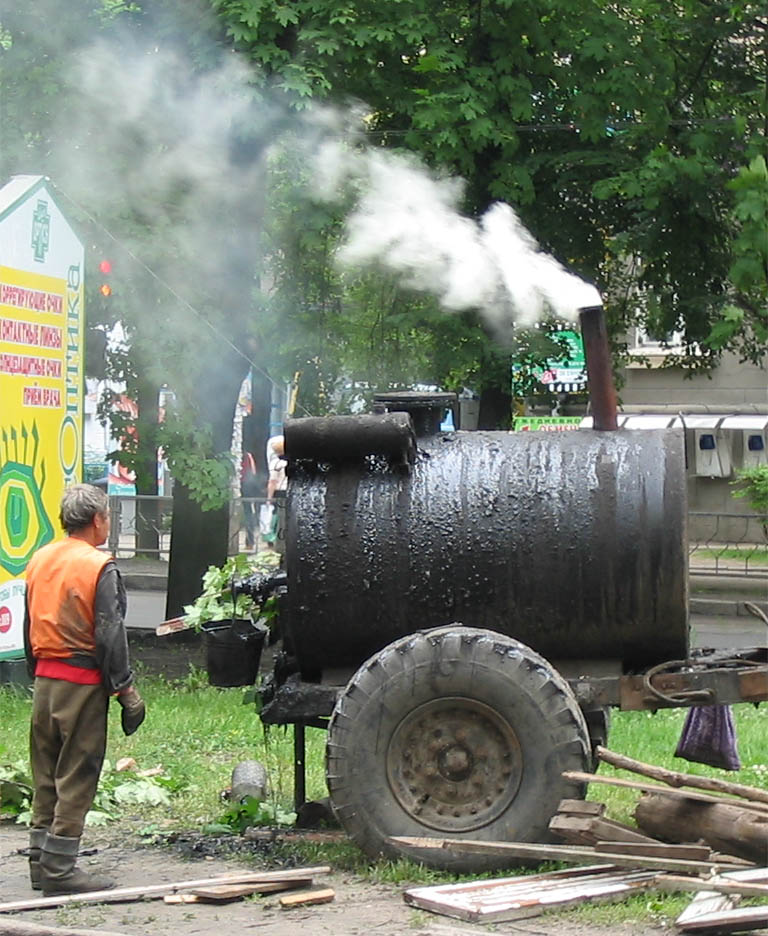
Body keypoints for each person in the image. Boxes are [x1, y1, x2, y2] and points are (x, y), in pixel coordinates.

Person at [23, 483, 145, 896]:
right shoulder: (98, 565)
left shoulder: (40, 560)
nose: (108, 523)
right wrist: (126, 691)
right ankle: (61, 871)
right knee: (77, 773)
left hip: (45, 680)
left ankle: (40, 864)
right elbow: (110, 635)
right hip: (81, 684)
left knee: (45, 773)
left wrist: (36, 672)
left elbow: (29, 624)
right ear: (97, 520)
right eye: (108, 516)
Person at [241, 449, 260, 549]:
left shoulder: (245, 456)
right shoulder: (248, 456)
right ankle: (250, 542)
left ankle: (249, 542)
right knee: (248, 514)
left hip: (239, 487)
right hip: (247, 488)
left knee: (247, 515)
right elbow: (253, 472)